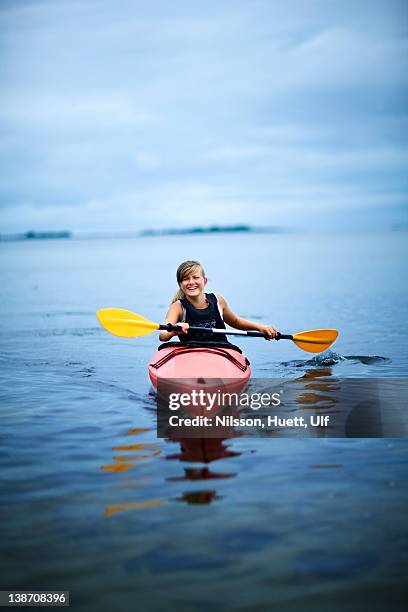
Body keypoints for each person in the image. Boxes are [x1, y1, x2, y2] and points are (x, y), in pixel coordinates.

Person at [159, 260, 278, 344]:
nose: (191, 282)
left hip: (220, 352)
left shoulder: (217, 300)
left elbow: (236, 322)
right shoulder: (178, 307)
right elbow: (163, 335)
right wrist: (174, 329)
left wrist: (261, 328)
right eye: (186, 279)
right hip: (191, 354)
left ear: (204, 281)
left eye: (195, 277)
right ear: (180, 284)